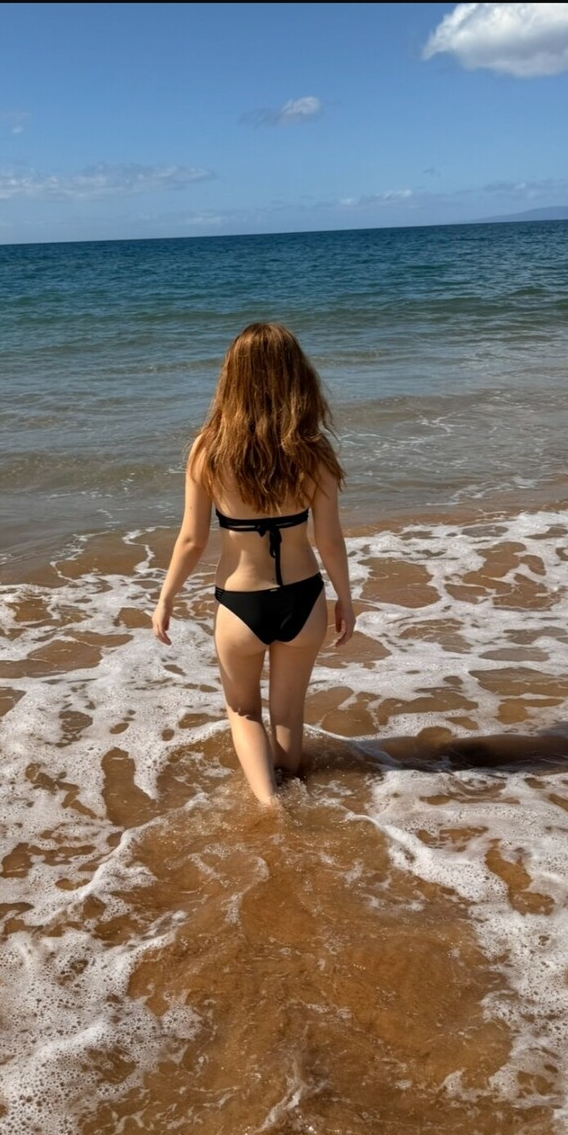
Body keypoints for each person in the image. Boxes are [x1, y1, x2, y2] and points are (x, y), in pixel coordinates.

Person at [151, 322, 355, 807]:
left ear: (232, 378)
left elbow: (191, 540)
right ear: (297, 377)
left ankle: (270, 806)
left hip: (241, 604)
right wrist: (345, 600)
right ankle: (291, 790)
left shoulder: (209, 449)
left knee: (243, 711)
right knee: (288, 714)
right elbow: (329, 539)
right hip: (304, 599)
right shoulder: (314, 451)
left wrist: (165, 598)